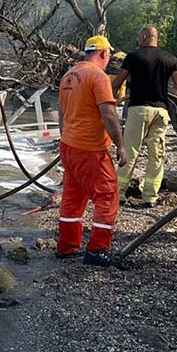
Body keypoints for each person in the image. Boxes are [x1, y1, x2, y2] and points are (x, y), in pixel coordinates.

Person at [56, 35, 127, 266]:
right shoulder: (98, 76)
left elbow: (61, 113)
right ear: (104, 54)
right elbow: (108, 114)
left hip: (69, 145)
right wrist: (121, 145)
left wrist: (65, 137)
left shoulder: (69, 76)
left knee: (73, 196)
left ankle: (67, 247)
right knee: (107, 195)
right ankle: (97, 250)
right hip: (89, 148)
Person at [111, 26, 177, 208]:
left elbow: (117, 83)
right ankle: (150, 197)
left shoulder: (134, 57)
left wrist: (108, 104)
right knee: (156, 155)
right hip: (161, 112)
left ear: (144, 37)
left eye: (139, 38)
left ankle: (118, 194)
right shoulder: (170, 59)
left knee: (131, 152)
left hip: (138, 110)